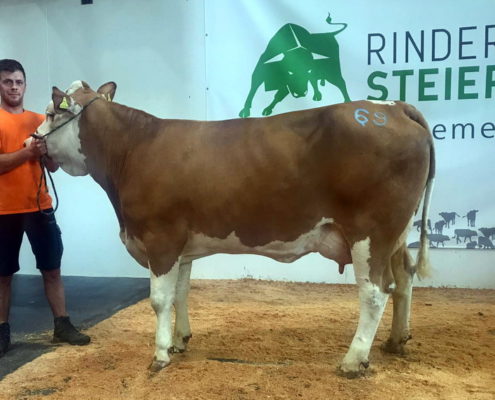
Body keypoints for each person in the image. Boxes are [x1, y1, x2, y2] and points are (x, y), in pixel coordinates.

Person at [0, 59, 90, 357]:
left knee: (52, 269)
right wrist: (27, 152)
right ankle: (2, 332)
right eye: (7, 82)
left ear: (25, 84)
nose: (14, 87)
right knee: (3, 275)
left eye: (18, 82)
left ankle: (62, 325)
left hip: (40, 207)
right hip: (4, 211)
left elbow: (53, 165)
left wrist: (47, 153)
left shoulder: (41, 119)